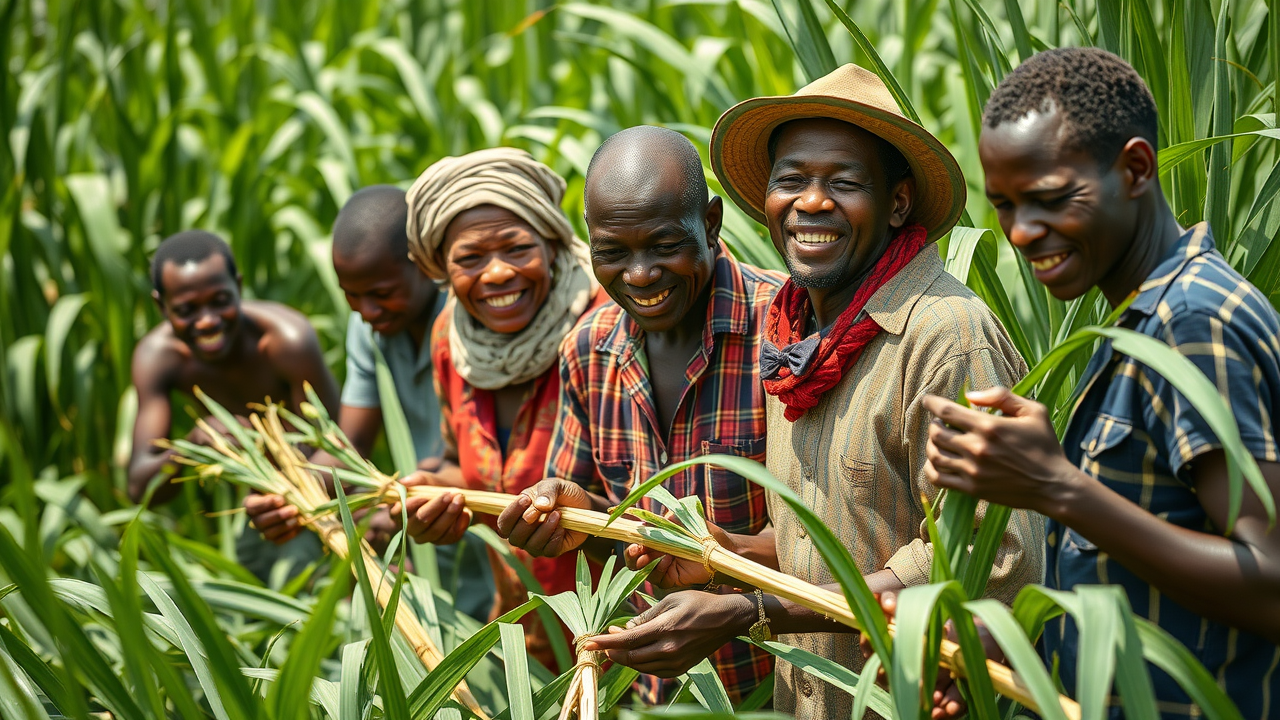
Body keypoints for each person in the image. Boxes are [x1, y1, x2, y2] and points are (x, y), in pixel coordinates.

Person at [569, 66, 1046, 718]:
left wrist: (751, 611)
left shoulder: (945, 335)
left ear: (898, 204)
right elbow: (826, 543)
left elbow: (992, 558)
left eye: (844, 183)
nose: (812, 202)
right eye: (791, 180)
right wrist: (724, 554)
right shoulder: (797, 340)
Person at [920, 48, 1280, 720]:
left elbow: (1271, 586)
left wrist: (1057, 486)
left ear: (1136, 169)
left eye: (1052, 199)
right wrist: (1004, 653)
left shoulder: (1193, 322)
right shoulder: (1136, 323)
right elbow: (1138, 578)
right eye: (1004, 205)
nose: (1022, 233)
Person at [494, 126, 785, 703]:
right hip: (652, 694)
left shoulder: (785, 330)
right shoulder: (588, 349)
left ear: (712, 225)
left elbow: (839, 539)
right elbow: (607, 525)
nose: (640, 274)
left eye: (664, 245)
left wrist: (722, 565)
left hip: (778, 690)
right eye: (612, 252)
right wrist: (571, 520)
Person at [386, 148, 609, 671]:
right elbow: (461, 466)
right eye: (469, 259)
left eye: (516, 248)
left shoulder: (604, 330)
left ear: (552, 242)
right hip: (523, 643)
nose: (497, 274)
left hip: (623, 642)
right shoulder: (451, 341)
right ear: (440, 268)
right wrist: (432, 494)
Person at [245, 185, 493, 621]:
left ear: (426, 265)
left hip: (486, 534)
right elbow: (350, 444)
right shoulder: (371, 332)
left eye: (381, 292)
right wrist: (291, 494)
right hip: (417, 527)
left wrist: (391, 504)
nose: (366, 311)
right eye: (351, 295)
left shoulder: (474, 322)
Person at [128, 229, 339, 578]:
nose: (208, 320)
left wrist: (296, 497)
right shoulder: (159, 358)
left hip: (325, 494)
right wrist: (193, 444)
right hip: (258, 510)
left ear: (239, 287)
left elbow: (341, 446)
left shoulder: (285, 340)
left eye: (220, 301)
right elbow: (140, 487)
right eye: (186, 310)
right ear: (160, 306)